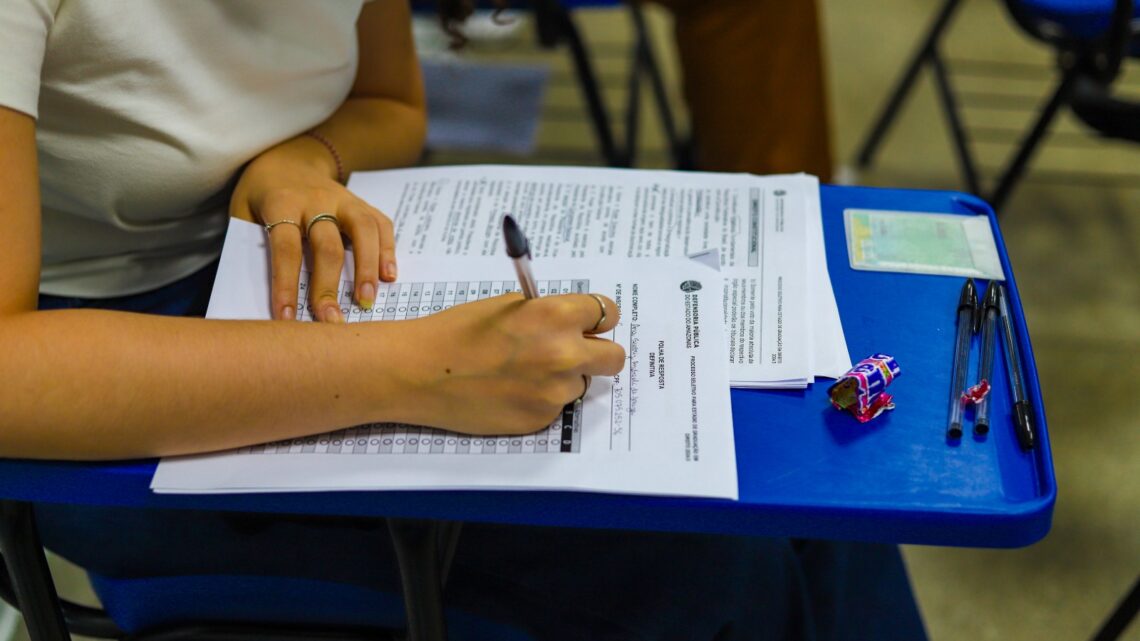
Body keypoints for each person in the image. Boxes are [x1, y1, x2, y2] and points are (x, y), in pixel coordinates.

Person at [3, 1, 925, 639]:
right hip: (113, 395)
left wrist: (307, 158)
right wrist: (415, 369)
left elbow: (391, 104)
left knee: (798, 477)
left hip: (318, 272)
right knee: (713, 566)